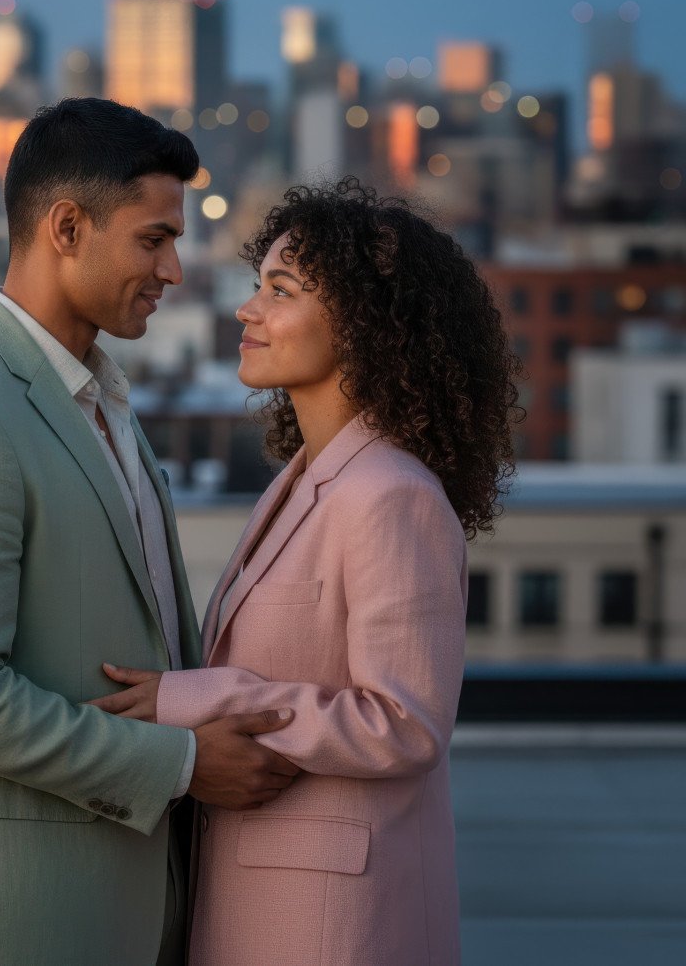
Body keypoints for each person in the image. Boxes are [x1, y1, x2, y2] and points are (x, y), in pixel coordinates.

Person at [0, 98, 299, 966]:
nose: (176, 270)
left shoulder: (102, 404)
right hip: (12, 923)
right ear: (67, 226)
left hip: (132, 914)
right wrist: (178, 765)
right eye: (153, 239)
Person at [91, 177, 521, 966]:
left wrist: (199, 698)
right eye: (258, 286)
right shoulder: (305, 480)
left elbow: (406, 723)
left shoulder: (391, 495)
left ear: (362, 325)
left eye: (279, 291)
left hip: (336, 923)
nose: (246, 311)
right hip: (257, 905)